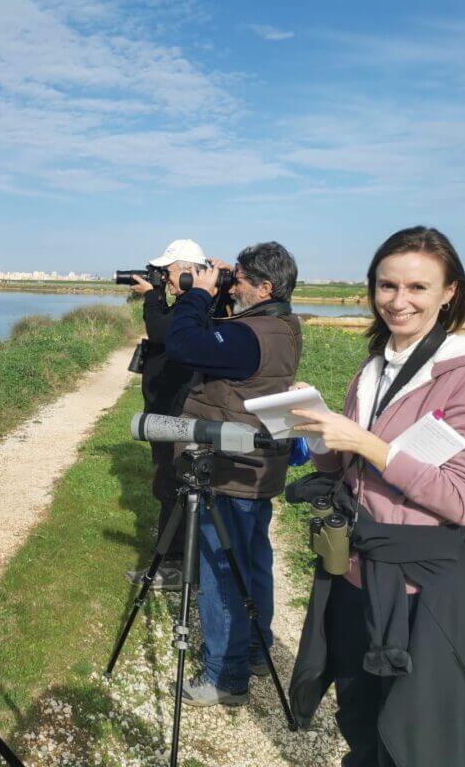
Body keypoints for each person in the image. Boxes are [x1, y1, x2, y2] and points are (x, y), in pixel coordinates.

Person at [289, 226, 465, 766]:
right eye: (387, 285)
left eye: (418, 287)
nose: (399, 301)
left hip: (420, 589)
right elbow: (347, 471)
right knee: (359, 714)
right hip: (355, 573)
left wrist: (368, 444)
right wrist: (318, 431)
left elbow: (464, 499)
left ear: (450, 293)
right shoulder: (373, 368)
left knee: (413, 734)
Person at [165, 241, 302, 706]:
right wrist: (224, 289)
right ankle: (256, 649)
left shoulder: (250, 337)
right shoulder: (282, 325)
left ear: (265, 288)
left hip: (230, 470)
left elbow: (183, 345)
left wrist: (197, 295)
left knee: (222, 569)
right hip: (258, 468)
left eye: (240, 279)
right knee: (253, 562)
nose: (233, 284)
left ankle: (225, 676)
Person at [125, 239, 208, 591]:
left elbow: (160, 331)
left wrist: (150, 296)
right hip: (167, 407)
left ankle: (174, 566)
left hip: (175, 411)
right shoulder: (189, 305)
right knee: (170, 483)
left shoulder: (194, 307)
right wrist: (157, 295)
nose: (165, 279)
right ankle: (178, 561)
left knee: (172, 484)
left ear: (189, 272)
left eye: (168, 272)